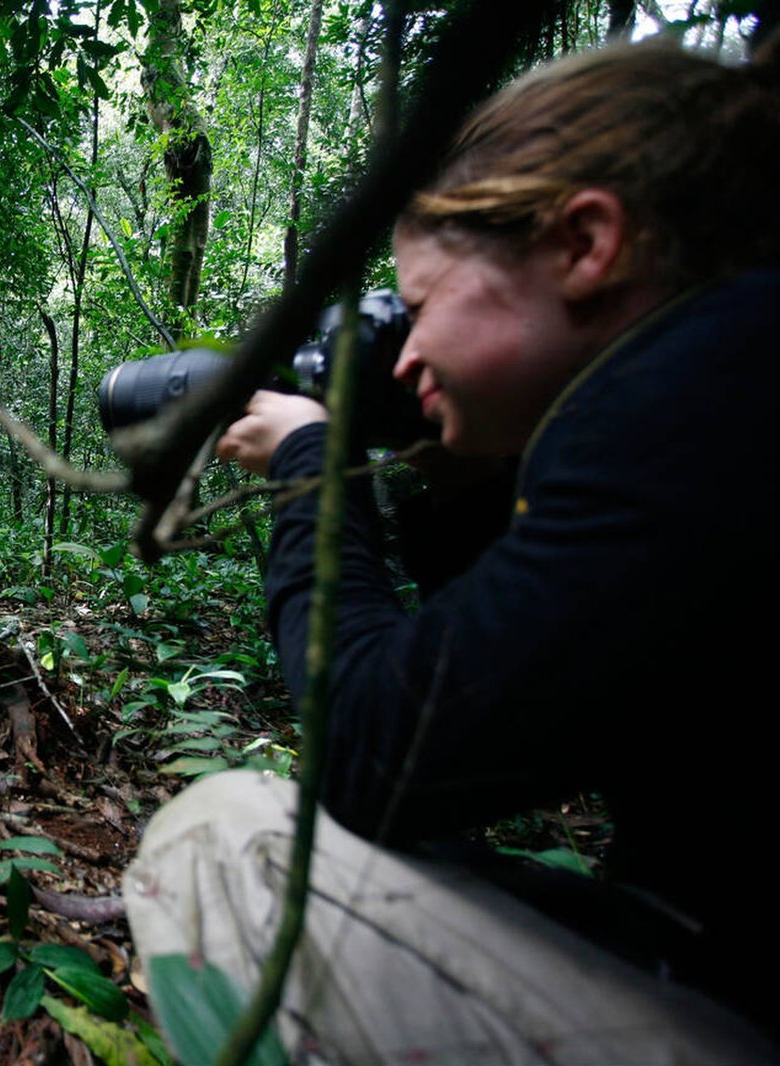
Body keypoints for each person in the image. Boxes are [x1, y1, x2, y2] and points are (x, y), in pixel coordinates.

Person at [122, 38, 780, 1065]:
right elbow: (491, 703)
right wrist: (459, 474)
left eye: (421, 307)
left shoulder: (705, 391)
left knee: (222, 850)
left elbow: (372, 749)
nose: (410, 352)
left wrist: (307, 463)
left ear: (584, 244)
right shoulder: (711, 382)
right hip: (719, 953)